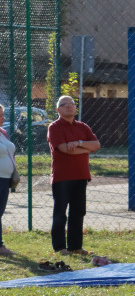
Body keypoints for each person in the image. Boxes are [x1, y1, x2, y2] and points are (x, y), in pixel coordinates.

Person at [47, 95, 100, 254]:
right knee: (60, 213)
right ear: (58, 110)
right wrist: (87, 149)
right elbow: (63, 149)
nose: (69, 107)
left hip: (81, 175)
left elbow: (96, 145)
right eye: (64, 104)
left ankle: (76, 247)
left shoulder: (83, 127)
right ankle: (60, 247)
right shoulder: (54, 127)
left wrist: (79, 143)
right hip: (62, 176)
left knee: (78, 212)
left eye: (72, 104)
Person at [0, 105, 16, 256]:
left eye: (2, 115)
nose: (2, 118)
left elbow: (10, 154)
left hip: (5, 179)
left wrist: (14, 171)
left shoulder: (3, 132)